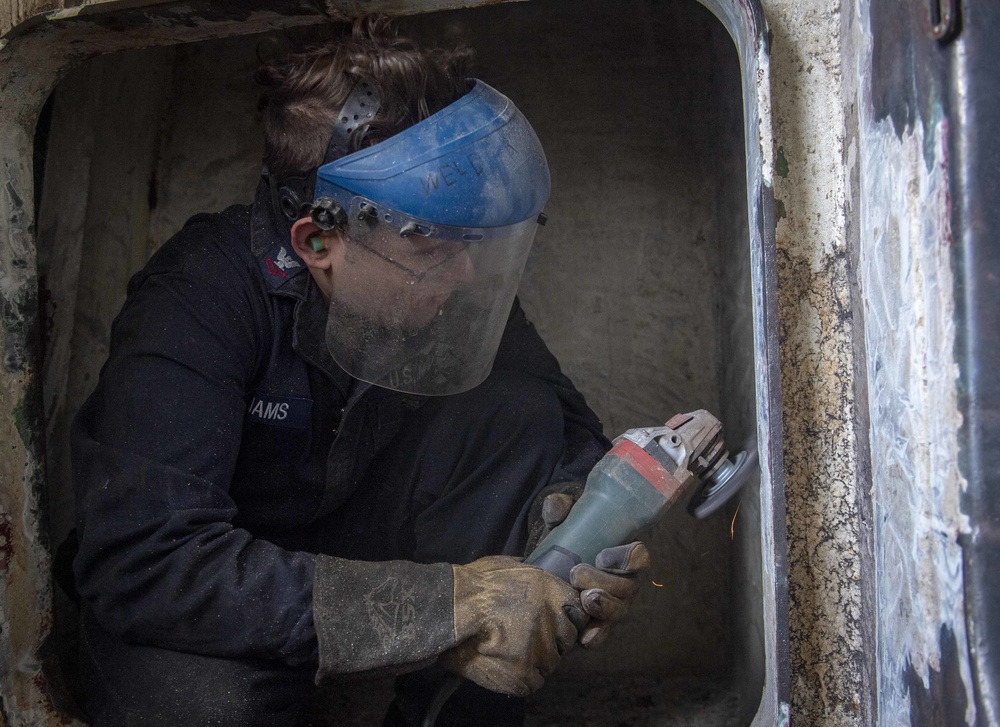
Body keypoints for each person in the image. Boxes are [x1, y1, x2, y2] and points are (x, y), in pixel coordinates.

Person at [71, 16, 650, 727]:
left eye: (468, 239)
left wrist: (580, 531)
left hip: (339, 546)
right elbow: (144, 562)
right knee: (213, 711)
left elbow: (563, 429)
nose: (466, 271)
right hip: (203, 597)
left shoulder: (443, 286)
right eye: (432, 244)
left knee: (520, 414)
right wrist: (443, 605)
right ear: (317, 239)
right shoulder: (200, 296)